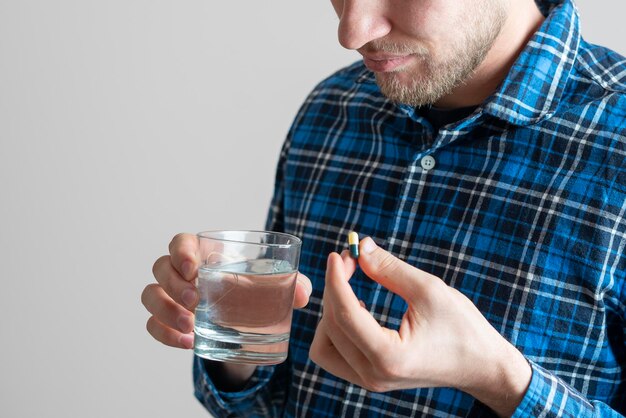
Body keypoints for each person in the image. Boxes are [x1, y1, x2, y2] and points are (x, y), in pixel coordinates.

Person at [141, 0, 626, 416]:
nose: (351, 31)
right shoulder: (332, 110)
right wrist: (236, 337)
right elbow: (270, 404)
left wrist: (498, 378)